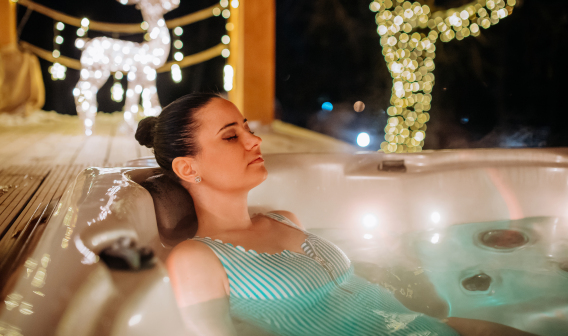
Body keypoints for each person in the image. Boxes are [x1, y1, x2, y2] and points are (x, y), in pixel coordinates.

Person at [135, 93, 536, 336]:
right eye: (231, 135)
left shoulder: (285, 218)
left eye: (246, 127)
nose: (254, 140)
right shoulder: (198, 258)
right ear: (188, 168)